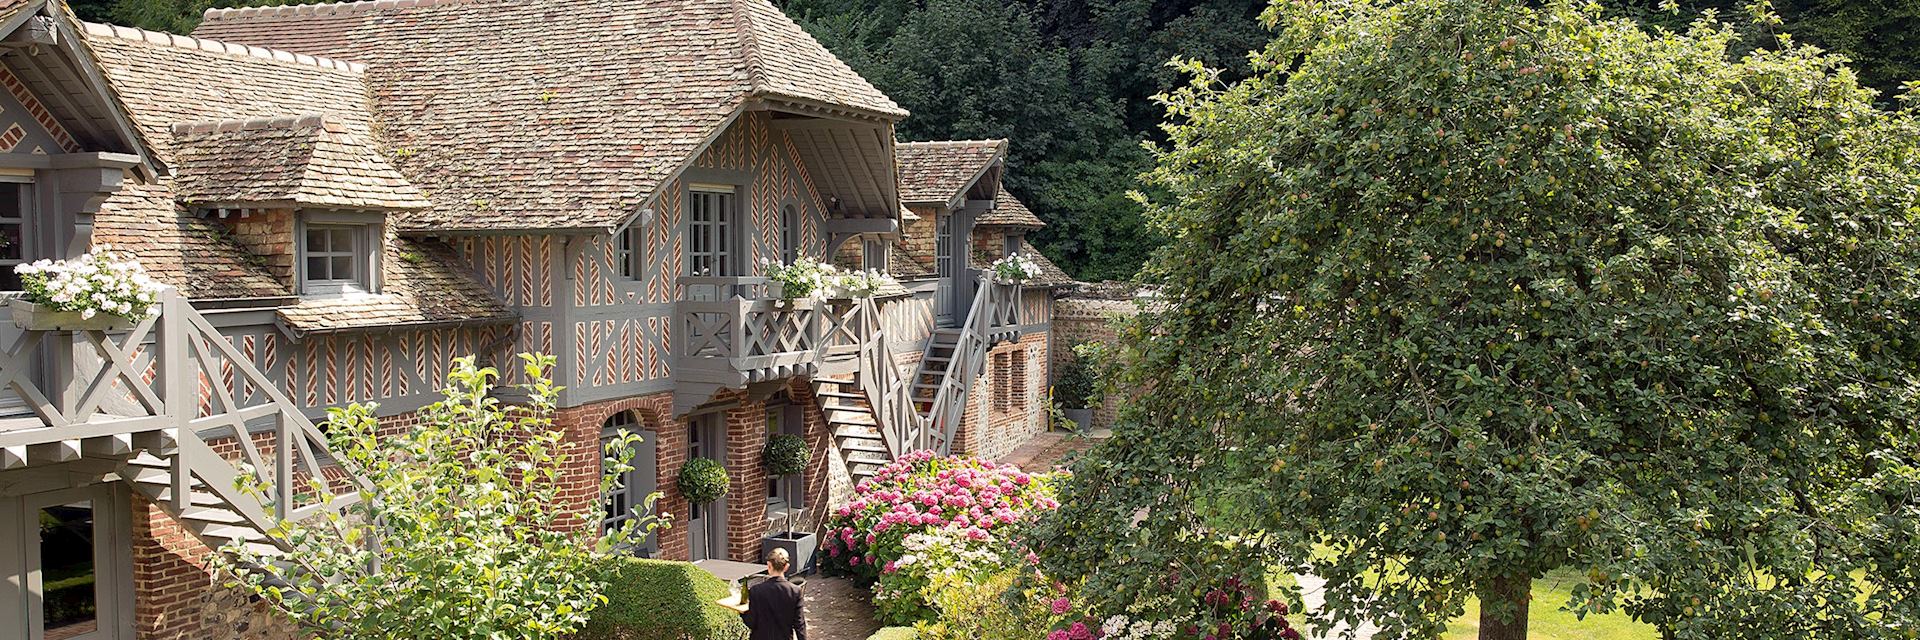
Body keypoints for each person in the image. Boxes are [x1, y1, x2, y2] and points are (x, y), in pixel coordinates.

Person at [738, 548, 807, 640]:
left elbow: (751, 622)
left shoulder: (756, 591)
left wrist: (741, 613)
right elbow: (800, 625)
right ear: (786, 567)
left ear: (769, 565)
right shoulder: (795, 591)